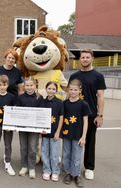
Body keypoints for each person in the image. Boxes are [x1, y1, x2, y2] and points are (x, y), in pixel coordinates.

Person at [69, 49, 106, 180]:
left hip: (90, 115)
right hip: (74, 115)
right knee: (72, 141)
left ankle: (89, 167)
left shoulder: (98, 76)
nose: (85, 59)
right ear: (80, 59)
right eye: (82, 57)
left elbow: (100, 96)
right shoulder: (74, 76)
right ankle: (71, 166)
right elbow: (70, 94)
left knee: (89, 142)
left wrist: (100, 115)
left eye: (87, 57)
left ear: (92, 58)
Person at [62, 79, 91, 187]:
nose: (73, 92)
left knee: (77, 156)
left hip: (78, 136)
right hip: (66, 134)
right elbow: (61, 119)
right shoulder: (64, 103)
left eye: (75, 90)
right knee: (66, 155)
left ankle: (76, 174)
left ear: (80, 90)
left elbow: (85, 121)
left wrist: (83, 137)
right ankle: (69, 173)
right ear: (68, 90)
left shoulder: (83, 104)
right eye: (71, 89)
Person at [16, 77, 44, 179]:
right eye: (27, 85)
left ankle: (31, 167)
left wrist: (41, 127)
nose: (29, 87)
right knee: (23, 147)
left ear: (35, 86)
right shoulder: (20, 98)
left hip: (34, 128)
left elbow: (42, 113)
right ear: (24, 87)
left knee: (32, 148)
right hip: (23, 128)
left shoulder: (39, 98)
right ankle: (24, 166)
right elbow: (17, 113)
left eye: (31, 85)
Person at [41, 81, 64, 181]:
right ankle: (47, 170)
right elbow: (39, 117)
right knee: (45, 152)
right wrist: (40, 129)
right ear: (46, 89)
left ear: (56, 90)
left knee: (54, 153)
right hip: (45, 133)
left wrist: (58, 132)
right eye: (49, 88)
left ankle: (55, 171)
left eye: (53, 89)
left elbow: (61, 118)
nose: (51, 90)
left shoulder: (59, 102)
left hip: (55, 133)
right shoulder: (42, 102)